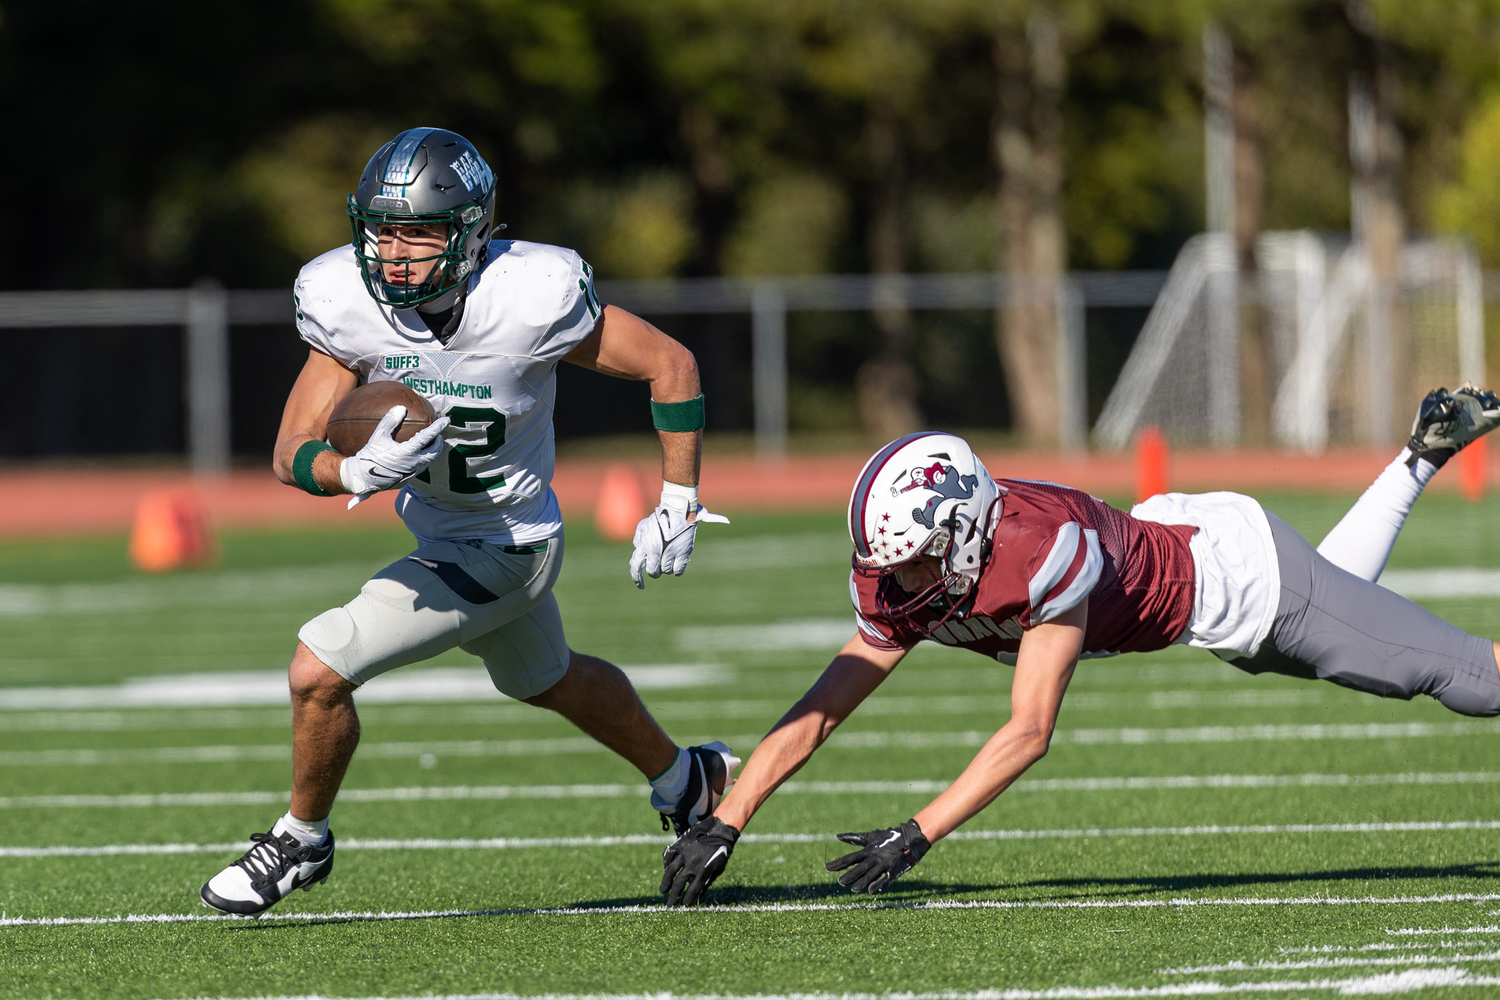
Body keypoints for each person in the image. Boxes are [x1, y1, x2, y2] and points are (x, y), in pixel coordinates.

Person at [659, 385, 1500, 906]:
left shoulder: (1039, 552)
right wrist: (728, 821)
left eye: (913, 561)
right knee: (1344, 631)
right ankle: (1420, 455)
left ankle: (1418, 460)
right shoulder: (923, 568)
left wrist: (917, 834)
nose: (898, 584)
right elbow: (824, 707)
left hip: (1243, 581)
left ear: (962, 535)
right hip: (1191, 557)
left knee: (1454, 676)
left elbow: (1029, 731)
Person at [200, 128, 738, 917]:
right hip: (447, 532)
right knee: (549, 678)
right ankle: (687, 780)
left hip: (506, 543)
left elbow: (672, 364)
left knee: (319, 669)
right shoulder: (346, 300)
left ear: (476, 232)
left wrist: (678, 497)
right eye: (383, 231)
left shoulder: (532, 295)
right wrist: (347, 471)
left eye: (421, 232)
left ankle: (301, 838)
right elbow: (289, 451)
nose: (397, 254)